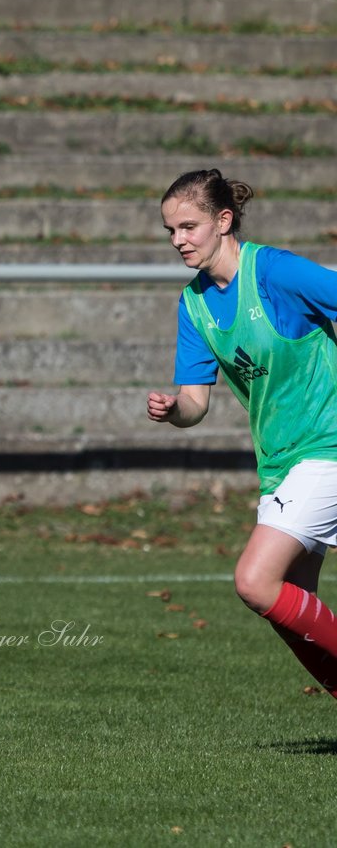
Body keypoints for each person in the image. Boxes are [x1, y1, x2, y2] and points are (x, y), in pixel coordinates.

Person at [149, 168, 337, 699]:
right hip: (280, 462)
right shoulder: (195, 304)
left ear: (223, 220)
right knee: (288, 608)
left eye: (189, 226)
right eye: (170, 231)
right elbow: (195, 403)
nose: (178, 240)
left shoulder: (274, 271)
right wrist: (173, 410)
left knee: (255, 582)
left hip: (327, 447)